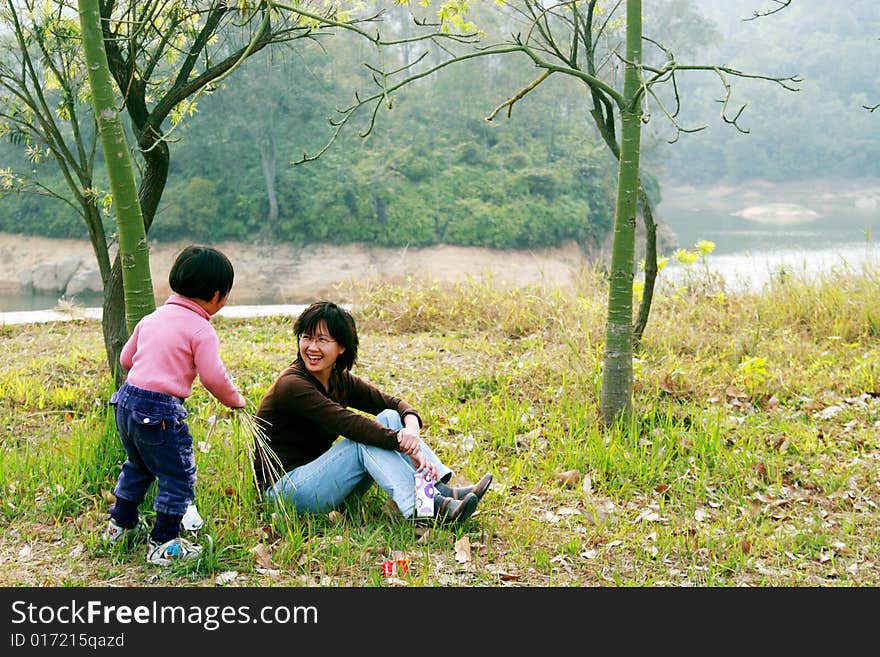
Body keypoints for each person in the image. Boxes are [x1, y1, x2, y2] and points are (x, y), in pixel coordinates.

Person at [254, 300, 492, 525]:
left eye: (322, 340)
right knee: (363, 438)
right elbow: (349, 424)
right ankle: (422, 508)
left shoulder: (338, 379)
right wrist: (403, 444)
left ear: (342, 347)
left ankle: (438, 490)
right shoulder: (293, 385)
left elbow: (397, 405)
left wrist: (411, 433)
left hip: (321, 481)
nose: (312, 347)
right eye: (306, 338)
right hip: (285, 493)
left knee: (389, 416)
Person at [103, 245, 246, 565]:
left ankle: (119, 526)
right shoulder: (201, 329)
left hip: (125, 403)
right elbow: (213, 377)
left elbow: (126, 359)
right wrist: (235, 400)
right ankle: (164, 542)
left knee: (137, 465)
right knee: (177, 476)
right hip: (161, 411)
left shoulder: (152, 319)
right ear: (216, 295)